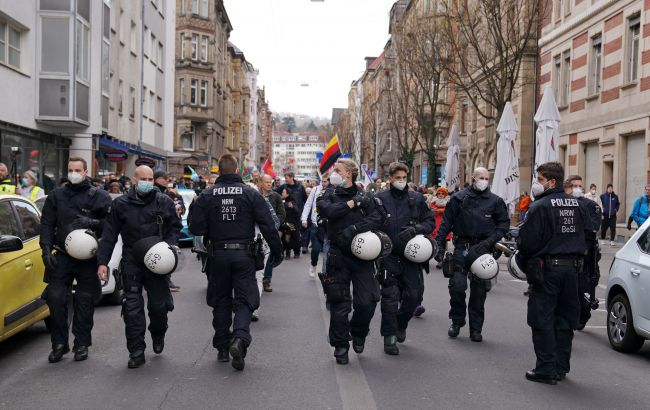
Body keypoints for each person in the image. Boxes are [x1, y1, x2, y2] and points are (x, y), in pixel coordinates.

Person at [189, 154, 283, 371]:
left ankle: (222, 348)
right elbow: (268, 225)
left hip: (217, 256)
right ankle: (239, 339)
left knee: (221, 301)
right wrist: (277, 252)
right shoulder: (250, 193)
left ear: (219, 172)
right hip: (244, 255)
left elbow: (196, 229)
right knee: (244, 300)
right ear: (238, 171)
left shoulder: (207, 195)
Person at [96, 166, 181, 368]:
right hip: (132, 262)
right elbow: (109, 235)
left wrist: (169, 247)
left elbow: (174, 228)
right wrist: (102, 262)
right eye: (143, 178)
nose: (147, 182)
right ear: (134, 180)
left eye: (150, 178)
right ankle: (136, 351)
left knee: (158, 307)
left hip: (157, 262)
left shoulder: (164, 202)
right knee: (132, 309)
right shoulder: (121, 205)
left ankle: (158, 333)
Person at [517, 162, 588, 385]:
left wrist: (524, 262)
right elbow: (590, 239)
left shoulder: (540, 207)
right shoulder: (579, 206)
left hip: (548, 271)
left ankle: (546, 369)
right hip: (573, 271)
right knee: (565, 319)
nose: (537, 184)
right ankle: (561, 366)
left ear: (552, 182)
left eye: (539, 179)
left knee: (542, 318)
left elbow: (527, 242)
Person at [39, 157, 112, 363]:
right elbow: (46, 224)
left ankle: (81, 344)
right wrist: (45, 250)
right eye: (70, 169)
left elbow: (110, 225)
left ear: (85, 171)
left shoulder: (99, 196)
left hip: (88, 257)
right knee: (55, 299)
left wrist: (92, 222)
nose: (73, 173)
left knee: (84, 301)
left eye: (77, 169)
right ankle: (59, 344)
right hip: (61, 254)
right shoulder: (56, 195)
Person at [316, 158, 387, 365]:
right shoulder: (329, 193)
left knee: (367, 301)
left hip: (363, 257)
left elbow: (379, 217)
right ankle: (340, 346)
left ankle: (358, 333)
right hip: (338, 256)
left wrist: (356, 229)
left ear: (349, 174)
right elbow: (328, 211)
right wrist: (352, 203)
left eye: (337, 170)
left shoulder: (365, 195)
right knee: (339, 303)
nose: (333, 174)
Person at [434, 167, 509, 342]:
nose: (484, 180)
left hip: (483, 249)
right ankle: (457, 321)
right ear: (473, 178)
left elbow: (503, 225)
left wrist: (488, 242)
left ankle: (476, 329)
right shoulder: (459, 199)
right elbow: (446, 222)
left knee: (479, 291)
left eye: (486, 178)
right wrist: (438, 244)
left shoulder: (495, 201)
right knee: (457, 286)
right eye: (480, 177)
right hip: (462, 247)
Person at [375, 162, 435, 355]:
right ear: (390, 179)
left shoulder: (416, 198)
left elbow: (429, 221)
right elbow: (371, 223)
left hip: (412, 256)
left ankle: (401, 323)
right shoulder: (379, 199)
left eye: (404, 178)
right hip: (389, 256)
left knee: (413, 296)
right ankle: (389, 338)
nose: (401, 181)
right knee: (390, 299)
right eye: (397, 178)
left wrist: (415, 229)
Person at [564, 176, 601, 330]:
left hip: (585, 254)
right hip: (566, 252)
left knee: (583, 287)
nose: (578, 188)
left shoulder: (591, 205)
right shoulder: (562, 204)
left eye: (580, 185)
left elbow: (592, 227)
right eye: (574, 185)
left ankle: (583, 314)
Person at [154, 170, 182, 292]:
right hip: (153, 236)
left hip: (165, 233)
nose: (166, 180)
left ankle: (166, 280)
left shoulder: (169, 196)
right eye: (163, 178)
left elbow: (174, 221)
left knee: (167, 259)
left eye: (167, 178)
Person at [259, 175, 285, 292]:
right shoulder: (255, 195)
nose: (269, 184)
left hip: (270, 231)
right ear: (261, 183)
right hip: (258, 230)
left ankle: (267, 280)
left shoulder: (276, 196)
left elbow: (281, 214)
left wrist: (274, 226)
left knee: (269, 255)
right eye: (266, 182)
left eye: (270, 182)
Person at [301, 173, 329, 278]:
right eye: (322, 181)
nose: (324, 183)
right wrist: (304, 219)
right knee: (316, 249)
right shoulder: (316, 189)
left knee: (327, 252)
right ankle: (313, 265)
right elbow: (308, 204)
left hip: (327, 226)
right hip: (316, 225)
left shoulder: (334, 190)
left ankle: (325, 274)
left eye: (326, 181)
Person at [277, 172, 308, 253]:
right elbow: (275, 193)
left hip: (297, 215)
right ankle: (286, 251)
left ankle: (297, 251)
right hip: (286, 216)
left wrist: (304, 214)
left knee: (295, 234)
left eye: (287, 178)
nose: (285, 180)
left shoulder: (300, 187)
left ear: (292, 178)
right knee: (286, 234)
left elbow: (306, 200)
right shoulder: (284, 186)